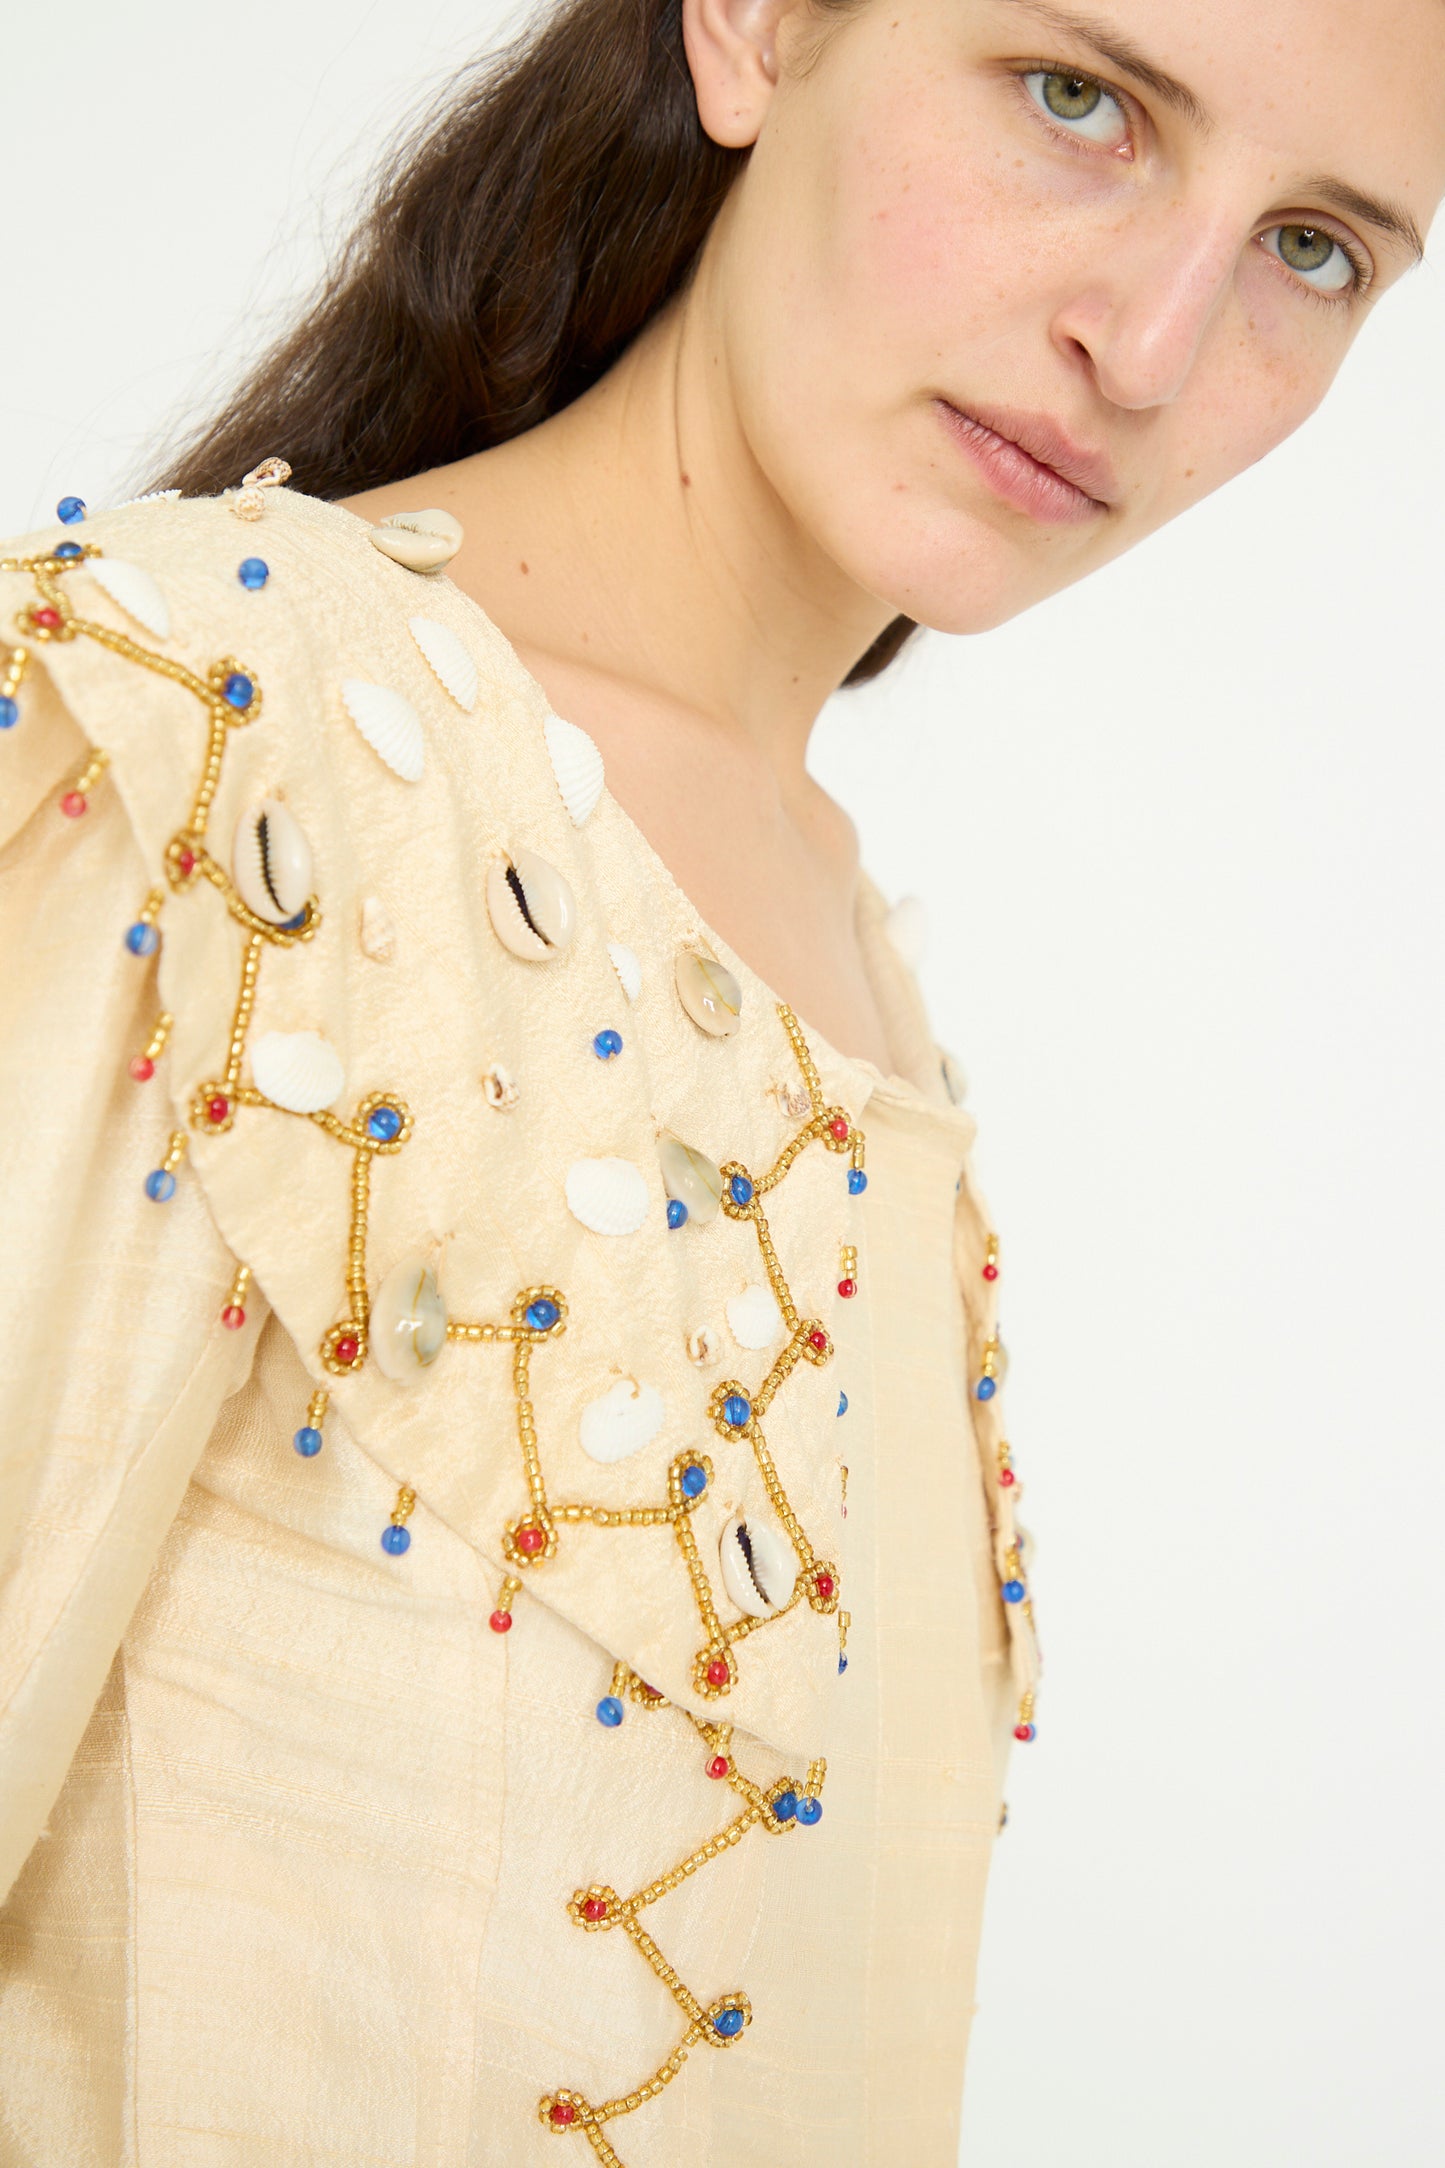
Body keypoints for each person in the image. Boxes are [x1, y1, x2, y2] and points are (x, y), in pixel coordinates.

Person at [0, 0, 1439, 2161]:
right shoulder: (195, 744)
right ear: (760, 27)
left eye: (1316, 248)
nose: (1149, 346)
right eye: (1084, 102)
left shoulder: (855, 956)